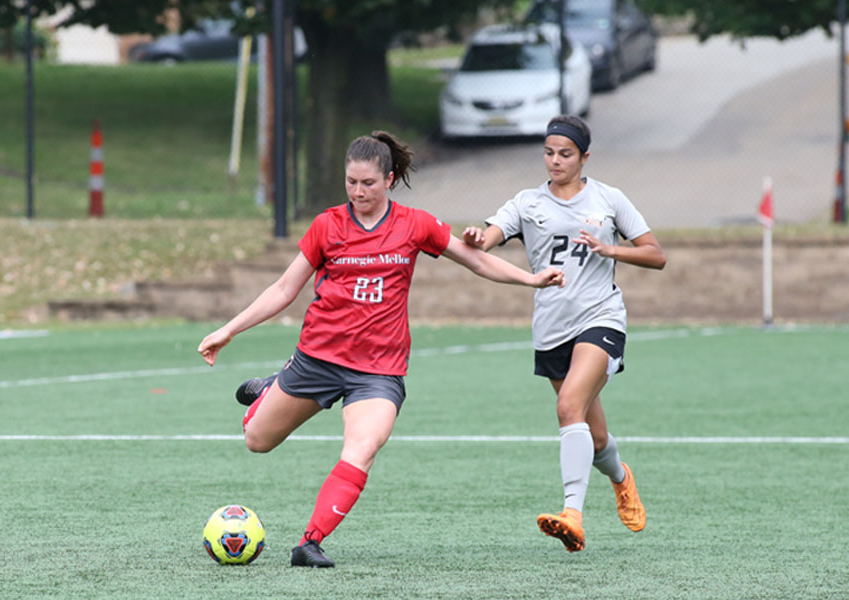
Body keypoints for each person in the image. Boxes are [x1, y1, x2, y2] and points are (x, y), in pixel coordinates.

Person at [198, 131, 565, 568]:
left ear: (389, 180)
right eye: (350, 182)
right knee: (256, 441)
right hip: (317, 359)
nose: (358, 192)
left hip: (378, 371)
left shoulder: (415, 224)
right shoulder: (327, 226)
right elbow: (283, 288)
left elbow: (475, 258)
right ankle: (272, 388)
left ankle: (309, 542)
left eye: (367, 183)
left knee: (362, 447)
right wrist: (229, 330)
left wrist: (530, 279)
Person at [463, 115, 666, 553]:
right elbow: (490, 237)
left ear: (584, 157)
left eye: (565, 154)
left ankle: (572, 515)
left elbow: (655, 254)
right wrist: (478, 236)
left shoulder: (609, 199)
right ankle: (621, 477)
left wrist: (609, 248)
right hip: (551, 329)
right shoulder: (527, 203)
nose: (555, 161)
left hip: (601, 317)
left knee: (568, 404)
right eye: (549, 152)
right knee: (592, 438)